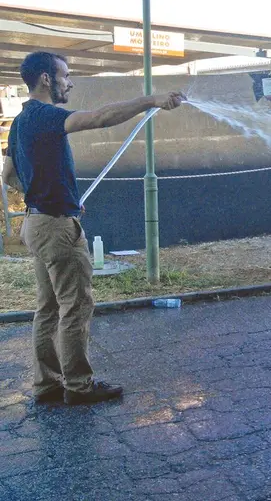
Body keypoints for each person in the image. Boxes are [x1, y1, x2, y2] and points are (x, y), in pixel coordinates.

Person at [2, 51, 185, 405]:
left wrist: (49, 196)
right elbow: (99, 118)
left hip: (36, 222)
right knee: (76, 306)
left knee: (48, 308)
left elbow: (8, 176)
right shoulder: (44, 115)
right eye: (65, 75)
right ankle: (79, 386)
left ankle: (48, 384)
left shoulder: (21, 120)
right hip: (55, 228)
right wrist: (151, 100)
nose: (69, 82)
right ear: (45, 79)